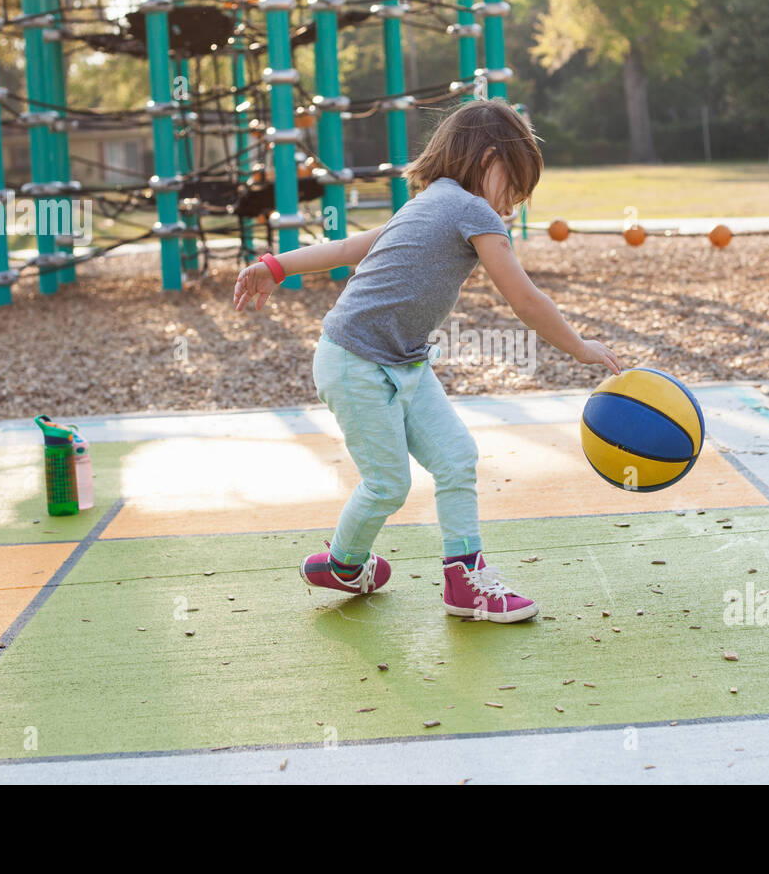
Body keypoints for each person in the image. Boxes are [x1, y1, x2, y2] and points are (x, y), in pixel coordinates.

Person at [234, 99, 620, 623]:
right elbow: (524, 299)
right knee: (389, 484)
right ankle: (344, 563)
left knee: (456, 456)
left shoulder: (431, 201)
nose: (512, 205)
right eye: (515, 186)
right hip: (354, 361)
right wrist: (580, 347)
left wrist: (276, 265)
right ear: (488, 160)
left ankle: (464, 582)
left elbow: (353, 247)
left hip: (404, 363)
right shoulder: (469, 209)